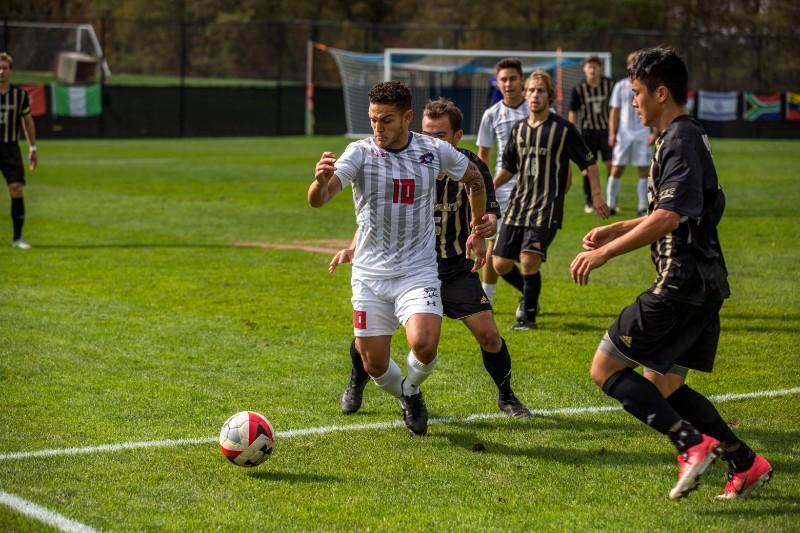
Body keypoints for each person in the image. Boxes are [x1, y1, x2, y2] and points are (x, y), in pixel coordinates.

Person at [570, 47, 772, 500]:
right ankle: (746, 462)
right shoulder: (685, 137)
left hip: (681, 281)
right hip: (704, 283)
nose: (634, 102)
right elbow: (679, 209)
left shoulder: (679, 139)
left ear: (662, 93)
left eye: (639, 93)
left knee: (605, 367)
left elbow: (668, 219)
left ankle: (691, 444)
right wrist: (617, 228)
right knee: (663, 385)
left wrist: (607, 254)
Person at [331, 98, 533, 419]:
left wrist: (481, 232)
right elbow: (377, 213)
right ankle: (357, 381)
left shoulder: (468, 166)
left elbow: (488, 215)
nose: (430, 141)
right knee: (368, 340)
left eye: (439, 135)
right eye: (426, 132)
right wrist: (356, 245)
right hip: (404, 266)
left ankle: (506, 395)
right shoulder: (403, 160)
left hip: (452, 267)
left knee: (489, 335)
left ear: (456, 136)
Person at [309, 81, 488, 437]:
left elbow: (475, 180)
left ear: (407, 117)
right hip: (369, 275)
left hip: (417, 270)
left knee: (424, 343)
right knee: (374, 363)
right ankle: (406, 394)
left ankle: (412, 389)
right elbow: (320, 199)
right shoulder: (358, 153)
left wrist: (476, 227)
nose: (378, 128)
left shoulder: (433, 151)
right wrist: (320, 181)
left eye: (387, 120)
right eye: (373, 119)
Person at [494, 70, 609, 330]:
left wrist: (597, 195)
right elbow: (509, 168)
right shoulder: (518, 129)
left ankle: (528, 317)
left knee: (528, 260)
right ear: (525, 94)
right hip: (518, 204)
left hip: (546, 207)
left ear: (550, 96)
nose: (535, 95)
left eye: (540, 91)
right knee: (500, 264)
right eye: (531, 90)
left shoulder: (564, 129)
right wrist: (488, 187)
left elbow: (589, 163)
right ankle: (529, 293)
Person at [476, 58, 527, 309]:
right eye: (503, 79)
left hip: (532, 192)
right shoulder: (491, 114)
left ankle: (529, 297)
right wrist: (485, 188)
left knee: (521, 253)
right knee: (493, 246)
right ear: (497, 82)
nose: (508, 84)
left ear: (522, 81)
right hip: (501, 190)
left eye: (513, 78)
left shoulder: (537, 110)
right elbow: (483, 155)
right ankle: (489, 300)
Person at [608, 52, 654, 216]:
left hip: (642, 133)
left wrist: (654, 132)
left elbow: (654, 109)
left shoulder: (647, 84)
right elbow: (614, 111)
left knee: (644, 170)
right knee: (617, 169)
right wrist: (612, 133)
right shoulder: (620, 86)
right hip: (624, 134)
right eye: (631, 63)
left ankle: (643, 206)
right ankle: (611, 204)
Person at [0, 52, 37, 249]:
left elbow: (28, 122)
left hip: (10, 148)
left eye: (5, 68)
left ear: (10, 71)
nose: (1, 71)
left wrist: (32, 147)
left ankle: (17, 238)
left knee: (16, 189)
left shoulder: (20, 96)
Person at [568, 55, 614, 215]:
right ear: (585, 69)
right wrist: (573, 133)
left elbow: (616, 108)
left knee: (611, 165)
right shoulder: (578, 89)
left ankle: (610, 199)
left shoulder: (609, 85)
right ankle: (589, 200)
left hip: (606, 130)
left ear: (600, 68)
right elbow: (573, 111)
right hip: (587, 132)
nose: (592, 70)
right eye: (589, 67)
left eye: (595, 67)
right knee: (588, 167)